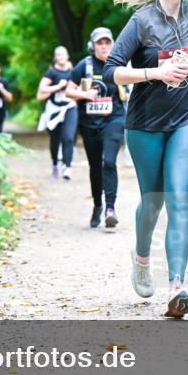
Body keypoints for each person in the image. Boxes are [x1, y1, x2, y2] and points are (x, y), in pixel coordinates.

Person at [103, 0, 188, 318]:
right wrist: (154, 73)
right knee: (153, 200)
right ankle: (141, 258)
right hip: (146, 123)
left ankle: (177, 288)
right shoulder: (141, 22)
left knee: (178, 198)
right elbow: (112, 71)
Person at [66, 28, 127, 229]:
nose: (104, 46)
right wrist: (85, 95)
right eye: (99, 43)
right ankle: (97, 205)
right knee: (95, 167)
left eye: (107, 42)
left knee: (108, 161)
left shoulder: (118, 64)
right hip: (90, 122)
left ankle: (111, 208)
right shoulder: (85, 65)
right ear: (93, 46)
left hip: (114, 119)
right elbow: (68, 90)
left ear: (113, 44)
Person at [36, 46, 77, 180]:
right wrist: (58, 87)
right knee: (55, 139)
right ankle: (55, 163)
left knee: (69, 137)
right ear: (55, 57)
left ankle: (68, 167)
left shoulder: (73, 71)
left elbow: (80, 87)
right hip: (54, 109)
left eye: (63, 54)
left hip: (70, 107)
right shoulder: (51, 73)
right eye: (58, 54)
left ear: (67, 55)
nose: (61, 56)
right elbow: (41, 92)